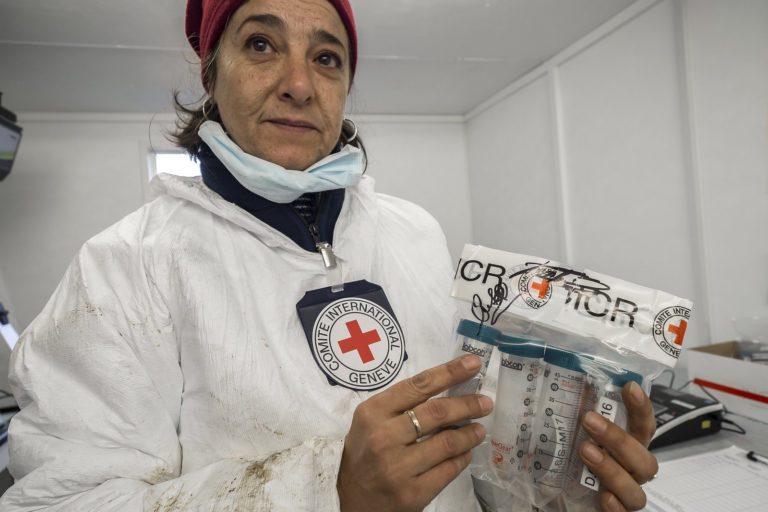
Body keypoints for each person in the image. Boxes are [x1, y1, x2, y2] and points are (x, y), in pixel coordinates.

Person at [0, 0, 658, 510]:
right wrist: (327, 493)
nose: (298, 83)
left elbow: (471, 461)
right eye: (261, 44)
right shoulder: (123, 266)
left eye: (327, 57)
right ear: (210, 72)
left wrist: (557, 484)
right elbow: (64, 500)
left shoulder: (416, 233)